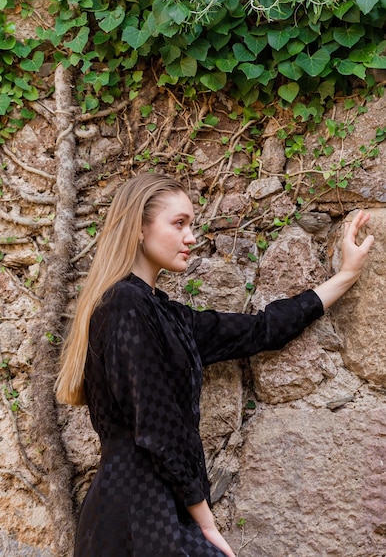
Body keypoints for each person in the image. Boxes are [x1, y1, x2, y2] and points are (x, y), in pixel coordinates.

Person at [55, 172, 374, 557]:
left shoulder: (165, 315)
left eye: (191, 224)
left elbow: (262, 330)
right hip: (134, 515)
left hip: (150, 509)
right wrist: (206, 521)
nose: (191, 237)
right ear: (139, 228)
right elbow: (158, 425)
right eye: (179, 224)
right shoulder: (125, 304)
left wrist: (346, 275)